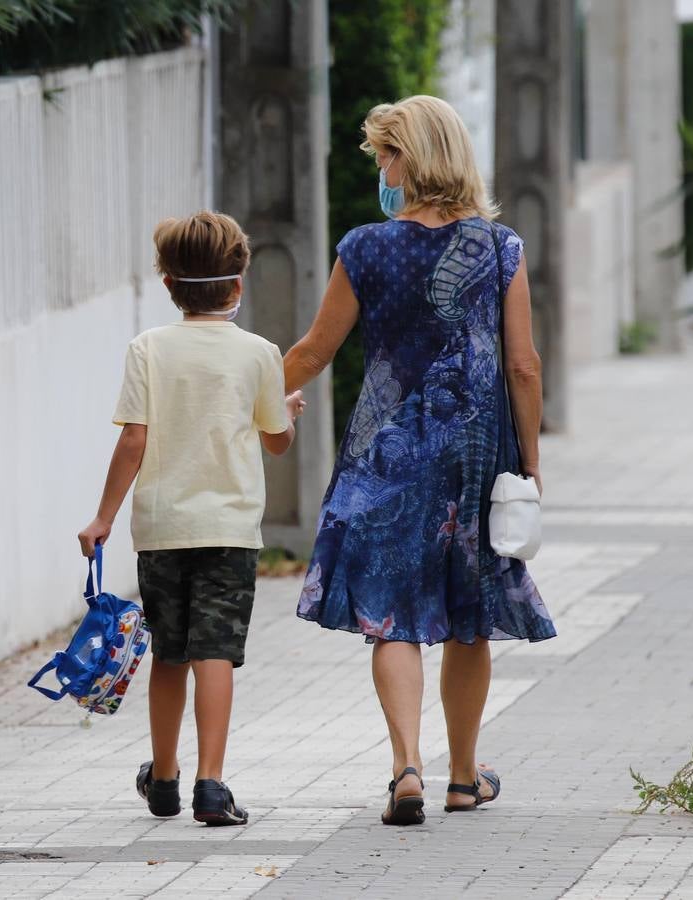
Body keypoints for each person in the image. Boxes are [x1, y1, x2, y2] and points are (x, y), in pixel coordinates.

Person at [282, 96, 556, 826]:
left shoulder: (365, 248)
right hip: (472, 457)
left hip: (386, 455)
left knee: (391, 615)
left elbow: (315, 351)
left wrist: (249, 401)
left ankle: (406, 767)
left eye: (384, 156)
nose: (382, 170)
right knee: (469, 615)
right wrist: (529, 463)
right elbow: (523, 366)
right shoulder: (500, 249)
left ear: (413, 158)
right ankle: (464, 776)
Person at [77, 211, 306, 826]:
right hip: (229, 531)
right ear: (238, 285)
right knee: (217, 654)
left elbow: (134, 438)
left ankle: (165, 779)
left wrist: (103, 518)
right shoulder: (260, 353)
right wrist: (285, 410)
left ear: (169, 284)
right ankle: (212, 783)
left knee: (169, 655)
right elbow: (276, 441)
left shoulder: (148, 349)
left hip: (162, 529)